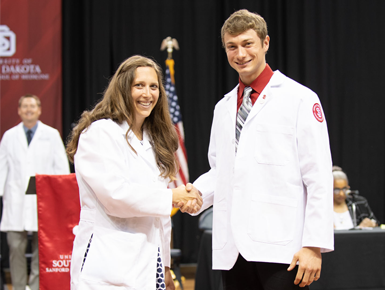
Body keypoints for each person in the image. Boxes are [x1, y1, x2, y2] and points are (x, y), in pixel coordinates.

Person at [183, 9, 334, 290]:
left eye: (247, 44)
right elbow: (222, 172)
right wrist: (197, 194)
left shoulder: (300, 98)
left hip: (283, 249)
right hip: (235, 249)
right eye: (232, 46)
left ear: (265, 43)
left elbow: (319, 176)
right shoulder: (223, 107)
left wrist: (314, 245)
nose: (240, 53)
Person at [66, 55, 202, 290]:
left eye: (153, 86)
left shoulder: (153, 139)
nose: (147, 94)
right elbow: (115, 197)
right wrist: (173, 197)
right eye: (139, 85)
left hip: (150, 265)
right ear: (122, 88)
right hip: (106, 264)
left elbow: (158, 215)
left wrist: (166, 265)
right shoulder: (100, 133)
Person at [0, 94, 70, 290]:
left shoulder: (52, 134)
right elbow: (1, 168)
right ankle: (19, 286)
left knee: (42, 249)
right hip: (16, 201)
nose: (29, 110)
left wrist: (61, 196)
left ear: (39, 110)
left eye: (32, 106)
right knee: (15, 248)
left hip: (44, 201)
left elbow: (61, 170)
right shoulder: (9, 136)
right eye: (25, 107)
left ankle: (36, 285)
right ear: (19, 110)